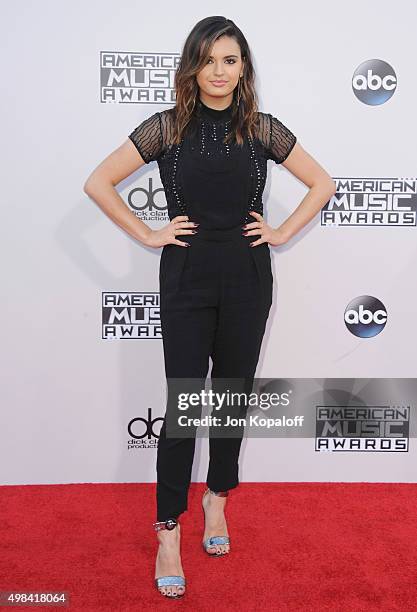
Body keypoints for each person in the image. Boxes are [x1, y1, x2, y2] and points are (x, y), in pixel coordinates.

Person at [84, 15, 336, 600]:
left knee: (230, 397)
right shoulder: (168, 128)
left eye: (231, 60)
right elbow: (99, 181)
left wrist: (280, 232)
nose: (219, 71)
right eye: (208, 59)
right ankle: (168, 528)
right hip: (188, 278)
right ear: (191, 64)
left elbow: (322, 183)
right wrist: (147, 233)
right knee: (184, 404)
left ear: (243, 67)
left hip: (248, 277)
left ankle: (217, 500)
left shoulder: (262, 129)